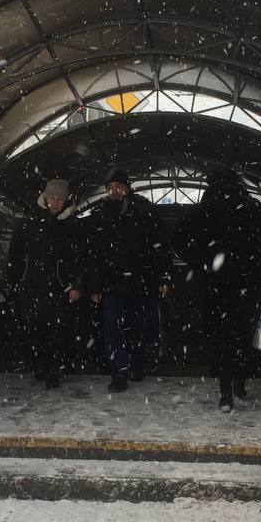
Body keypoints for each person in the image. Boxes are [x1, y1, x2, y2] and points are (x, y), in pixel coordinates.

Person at [172, 169, 261, 413]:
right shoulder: (251, 207)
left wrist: (202, 262)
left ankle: (225, 393)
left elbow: (179, 238)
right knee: (244, 335)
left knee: (223, 338)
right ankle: (240, 382)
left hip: (218, 286)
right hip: (249, 285)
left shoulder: (207, 208)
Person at [87, 168, 171, 392]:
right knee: (113, 329)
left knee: (139, 327)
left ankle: (136, 366)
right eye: (110, 188)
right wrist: (95, 285)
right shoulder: (101, 214)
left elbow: (159, 245)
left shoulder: (144, 211)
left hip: (140, 280)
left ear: (127, 188)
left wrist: (163, 275)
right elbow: (94, 253)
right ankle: (120, 373)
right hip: (113, 283)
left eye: (118, 186)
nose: (114, 191)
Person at [6, 178, 86, 389]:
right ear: (45, 198)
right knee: (35, 330)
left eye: (60, 199)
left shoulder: (73, 225)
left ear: (66, 200)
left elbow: (80, 257)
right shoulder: (29, 223)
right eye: (52, 198)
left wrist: (75, 284)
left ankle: (52, 371)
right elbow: (15, 254)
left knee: (56, 331)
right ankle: (41, 367)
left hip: (59, 288)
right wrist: (14, 279)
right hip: (33, 287)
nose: (56, 202)